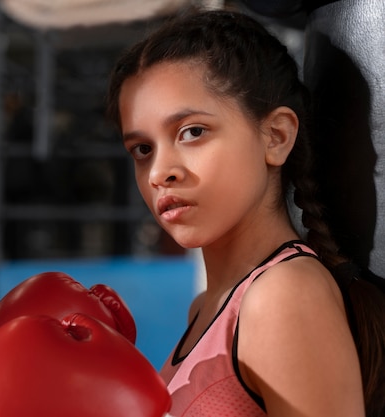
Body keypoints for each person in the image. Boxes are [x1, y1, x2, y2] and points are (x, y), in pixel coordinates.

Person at [106, 8, 385, 417]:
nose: (159, 173)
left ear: (275, 136)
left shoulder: (282, 296)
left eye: (193, 132)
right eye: (142, 150)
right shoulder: (205, 307)